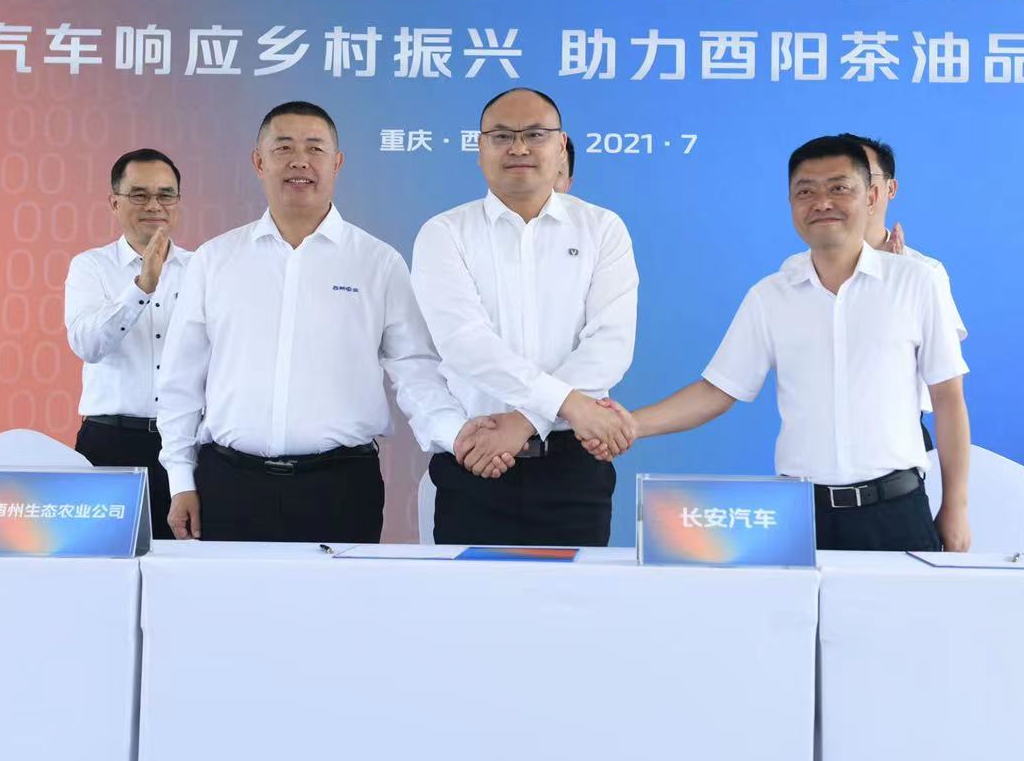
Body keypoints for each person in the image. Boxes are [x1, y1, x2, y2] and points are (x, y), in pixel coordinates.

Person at [611, 135, 972, 552]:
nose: (822, 202)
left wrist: (956, 507)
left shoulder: (918, 282)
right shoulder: (770, 296)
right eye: (806, 191)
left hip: (895, 511)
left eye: (839, 188)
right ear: (791, 204)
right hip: (800, 515)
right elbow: (717, 390)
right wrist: (629, 425)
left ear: (872, 196)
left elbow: (948, 399)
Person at [156, 102, 467, 542]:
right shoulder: (214, 259)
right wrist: (180, 480)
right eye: (283, 148)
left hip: (340, 488)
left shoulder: (378, 263)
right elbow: (179, 381)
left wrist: (456, 436)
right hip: (228, 483)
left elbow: (416, 370)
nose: (300, 161)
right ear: (259, 162)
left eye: (315, 148)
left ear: (336, 163)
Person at [411, 88, 637, 546]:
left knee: (573, 592)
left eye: (535, 134)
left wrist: (525, 422)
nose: (518, 148)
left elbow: (608, 346)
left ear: (560, 145)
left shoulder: (602, 228)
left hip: (573, 465)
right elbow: (465, 343)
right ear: (480, 148)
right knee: (469, 592)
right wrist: (566, 404)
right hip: (477, 460)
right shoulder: (444, 233)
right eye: (501, 136)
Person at [64, 148, 188, 540]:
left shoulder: (202, 268)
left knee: (188, 560)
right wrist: (142, 288)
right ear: (114, 202)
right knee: (100, 556)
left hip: (186, 445)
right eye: (139, 194)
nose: (154, 205)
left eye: (165, 195)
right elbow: (88, 345)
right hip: (110, 443)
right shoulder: (91, 267)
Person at [841, 133, 968, 453]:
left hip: (899, 437)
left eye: (864, 176)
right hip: (821, 438)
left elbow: (941, 379)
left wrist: (893, 284)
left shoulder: (925, 272)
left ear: (890, 189)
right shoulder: (804, 270)